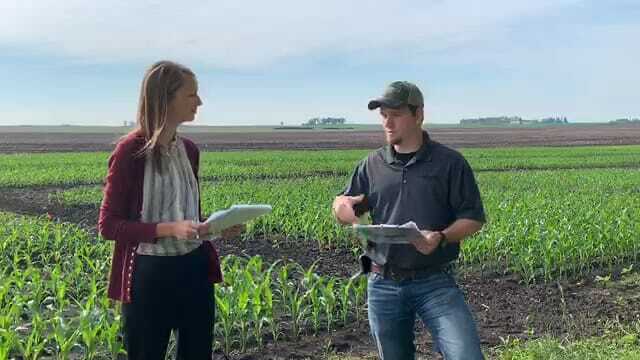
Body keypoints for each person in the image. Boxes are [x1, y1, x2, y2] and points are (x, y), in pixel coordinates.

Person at [98, 60, 242, 359]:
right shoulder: (129, 153)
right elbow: (109, 226)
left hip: (195, 269)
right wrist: (169, 229)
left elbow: (190, 216)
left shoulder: (189, 150)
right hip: (149, 277)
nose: (199, 101)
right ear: (166, 97)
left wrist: (213, 227)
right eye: (191, 95)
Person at [332, 81, 486, 360]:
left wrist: (440, 237)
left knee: (466, 354)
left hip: (435, 280)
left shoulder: (449, 163)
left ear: (418, 115)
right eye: (383, 115)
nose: (387, 123)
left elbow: (473, 218)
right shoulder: (372, 165)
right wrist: (343, 208)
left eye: (396, 114)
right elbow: (343, 202)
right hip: (382, 282)